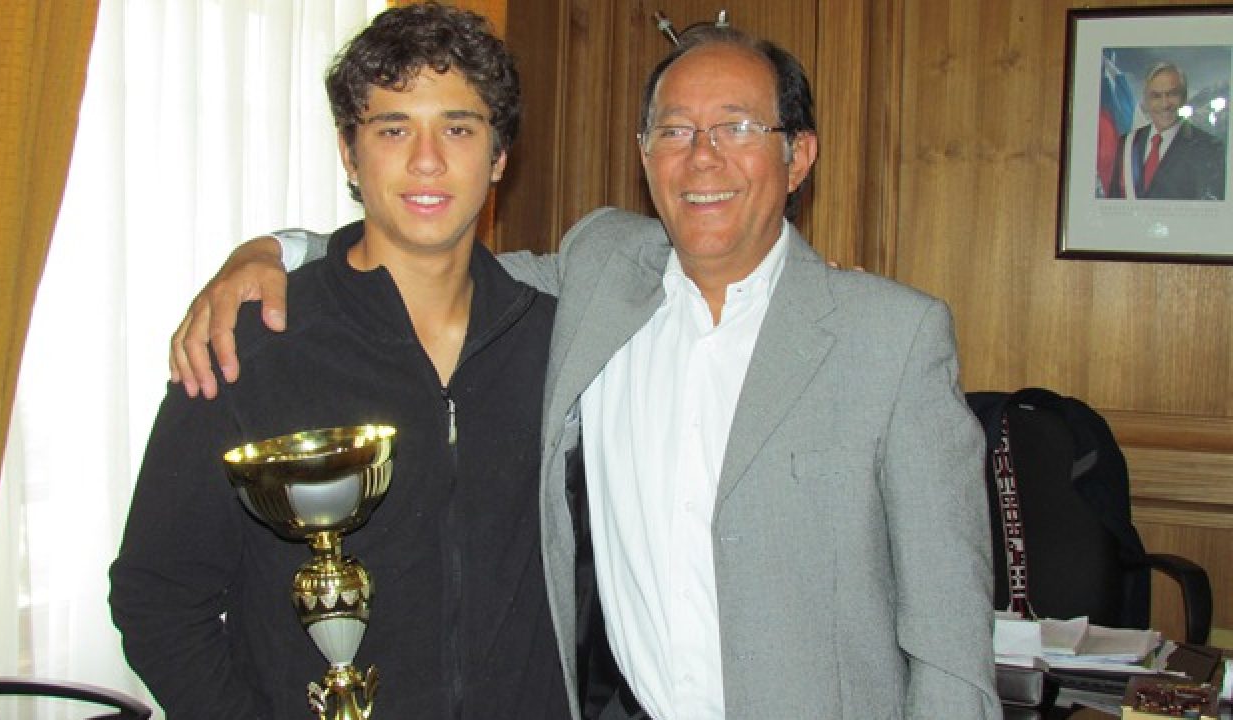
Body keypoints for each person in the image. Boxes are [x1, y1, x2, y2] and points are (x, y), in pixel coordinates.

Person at [171, 24, 1002, 720]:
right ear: (644, 154)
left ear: (799, 155)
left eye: (738, 127)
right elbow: (422, 251)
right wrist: (275, 251)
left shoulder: (893, 339)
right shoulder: (599, 277)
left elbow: (950, 647)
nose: (702, 158)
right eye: (674, 131)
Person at [108, 5, 566, 719]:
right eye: (393, 129)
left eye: (458, 128)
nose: (427, 159)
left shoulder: (556, 344)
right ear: (350, 155)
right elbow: (157, 596)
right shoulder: (247, 347)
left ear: (499, 154)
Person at [1107, 61, 1226, 200]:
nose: (1164, 104)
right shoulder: (1127, 143)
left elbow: (1212, 206)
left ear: (1184, 97)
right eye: (1156, 96)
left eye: (1172, 94)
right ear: (1146, 100)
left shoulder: (1208, 147)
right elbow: (1114, 199)